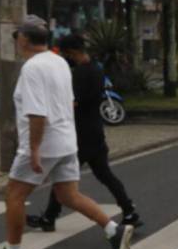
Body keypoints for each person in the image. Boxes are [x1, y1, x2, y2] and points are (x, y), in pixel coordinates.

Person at [0, 16, 134, 249]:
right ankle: (114, 230)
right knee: (68, 195)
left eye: (16, 36)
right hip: (67, 140)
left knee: (14, 195)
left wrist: (35, 148)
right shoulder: (59, 62)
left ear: (25, 39)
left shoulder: (32, 68)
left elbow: (37, 113)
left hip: (46, 142)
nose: (15, 40)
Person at [26, 33, 141, 233]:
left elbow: (72, 103)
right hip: (95, 131)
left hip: (80, 135)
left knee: (63, 180)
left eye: (64, 53)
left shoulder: (80, 74)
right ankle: (129, 210)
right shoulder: (96, 68)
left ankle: (49, 217)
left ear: (71, 52)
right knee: (104, 175)